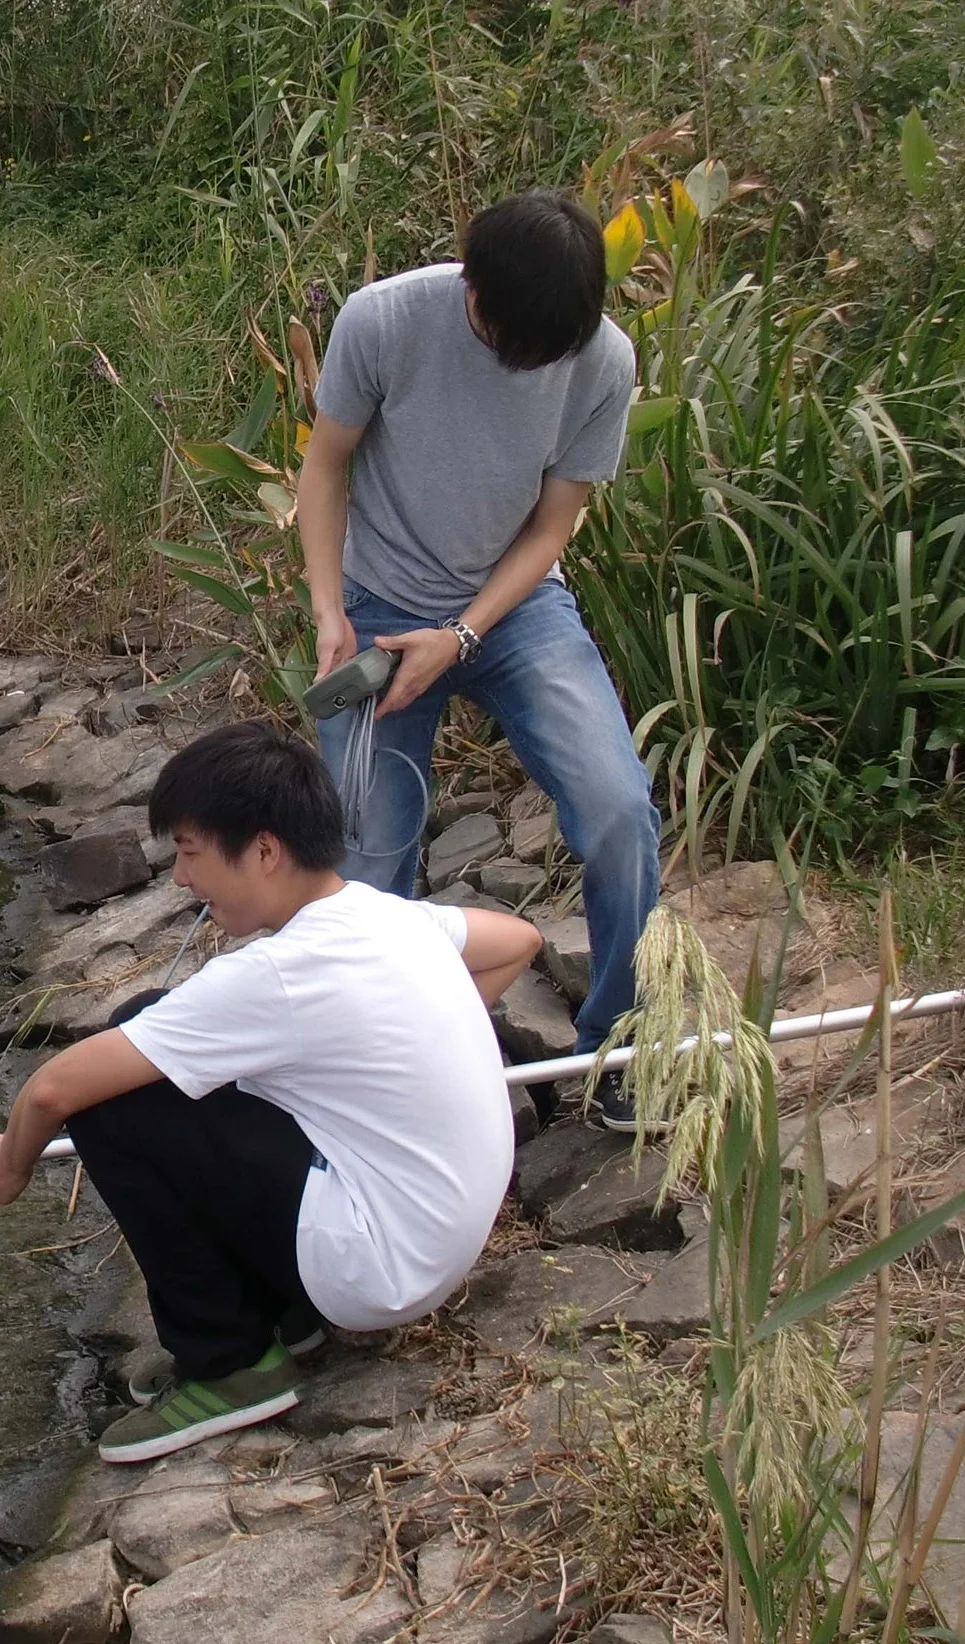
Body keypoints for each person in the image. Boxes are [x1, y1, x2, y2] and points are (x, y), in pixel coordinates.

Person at [0, 721, 541, 1463]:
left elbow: (53, 1091)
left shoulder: (278, 974)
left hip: (380, 1267)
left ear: (264, 851)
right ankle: (287, 1315)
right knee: (147, 1029)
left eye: (191, 852)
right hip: (429, 1234)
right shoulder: (387, 916)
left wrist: (7, 1169)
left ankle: (229, 1362)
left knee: (111, 1101)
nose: (181, 879)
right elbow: (518, 940)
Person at [296, 188, 662, 1130]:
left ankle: (616, 1044)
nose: (529, 361)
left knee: (620, 813)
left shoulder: (604, 360)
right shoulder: (384, 319)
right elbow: (327, 463)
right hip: (377, 609)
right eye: (512, 337)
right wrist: (331, 612)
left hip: (514, 608)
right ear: (472, 285)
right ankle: (379, 1069)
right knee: (369, 858)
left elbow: (555, 523)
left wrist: (463, 634)